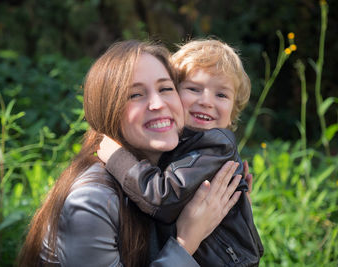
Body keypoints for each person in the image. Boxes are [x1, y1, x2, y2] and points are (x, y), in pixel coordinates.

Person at [17, 40, 242, 267]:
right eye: (135, 95)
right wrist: (187, 241)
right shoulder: (92, 200)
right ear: (108, 110)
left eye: (165, 88)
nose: (157, 104)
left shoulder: (171, 170)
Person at [97, 39, 263, 265]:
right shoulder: (181, 143)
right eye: (194, 89)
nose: (206, 101)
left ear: (233, 113)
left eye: (221, 95)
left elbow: (163, 197)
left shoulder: (216, 145)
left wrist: (118, 159)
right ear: (173, 94)